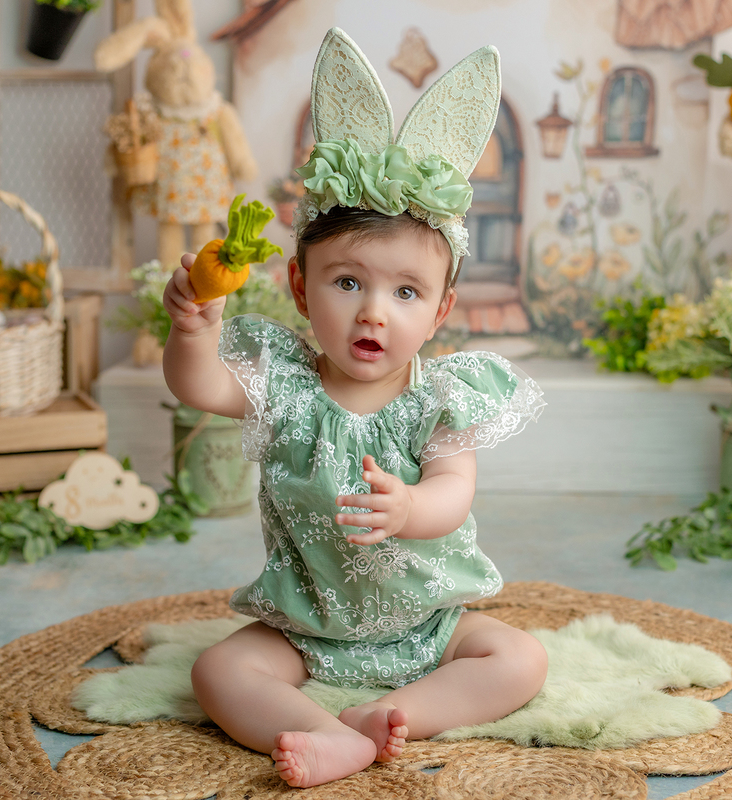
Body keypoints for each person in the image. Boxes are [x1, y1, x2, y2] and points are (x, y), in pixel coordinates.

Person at [161, 28, 547, 788]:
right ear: (301, 288)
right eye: (348, 283)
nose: (374, 311)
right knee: (217, 671)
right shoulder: (285, 384)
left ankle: (397, 711)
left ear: (439, 312)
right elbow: (198, 388)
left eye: (406, 291)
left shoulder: (439, 397)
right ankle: (324, 734)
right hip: (305, 623)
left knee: (519, 658)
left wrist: (410, 508)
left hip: (428, 622)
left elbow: (455, 489)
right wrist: (192, 331)